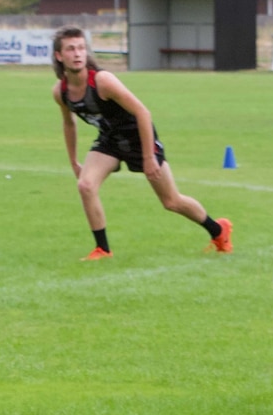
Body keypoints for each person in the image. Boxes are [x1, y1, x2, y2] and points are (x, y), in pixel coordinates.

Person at [51, 25, 232, 261]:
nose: (77, 54)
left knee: (171, 201)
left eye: (81, 48)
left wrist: (148, 157)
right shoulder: (61, 92)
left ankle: (219, 231)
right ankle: (103, 250)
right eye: (71, 49)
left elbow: (142, 113)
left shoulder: (103, 81)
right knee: (85, 185)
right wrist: (74, 161)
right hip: (110, 139)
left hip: (139, 137)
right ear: (59, 56)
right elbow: (69, 124)